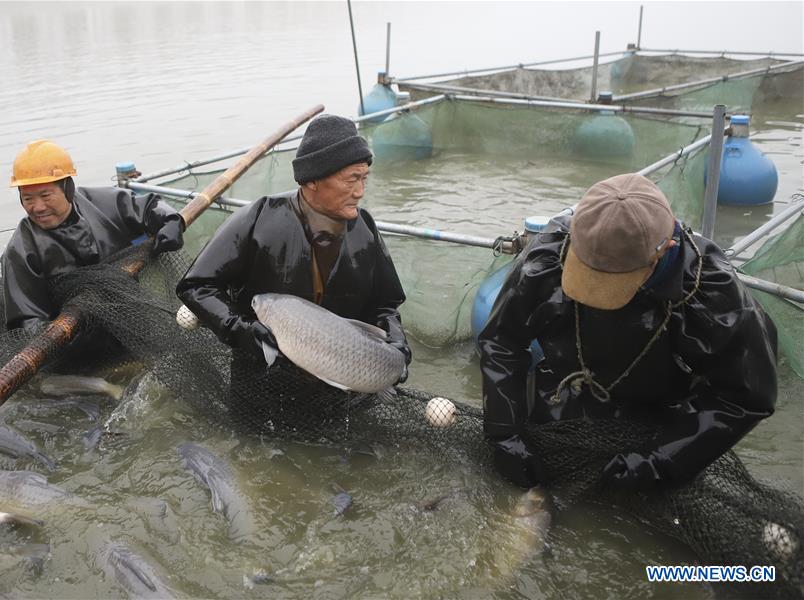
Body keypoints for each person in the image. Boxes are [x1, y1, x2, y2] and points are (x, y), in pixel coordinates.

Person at [479, 173, 777, 491]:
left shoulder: (714, 294)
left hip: (658, 419)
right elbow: (502, 340)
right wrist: (505, 432)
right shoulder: (550, 253)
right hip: (562, 396)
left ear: (666, 249)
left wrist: (659, 461)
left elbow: (744, 397)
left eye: (610, 282)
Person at [176, 114, 411, 424]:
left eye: (364, 178)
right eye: (351, 179)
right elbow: (196, 286)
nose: (360, 191)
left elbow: (386, 304)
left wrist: (396, 342)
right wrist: (242, 331)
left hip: (345, 390)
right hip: (262, 388)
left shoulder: (364, 227)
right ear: (312, 179)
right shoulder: (258, 218)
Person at [3, 140, 185, 331]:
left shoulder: (102, 202)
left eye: (46, 196)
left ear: (68, 189)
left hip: (132, 316)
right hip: (78, 339)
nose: (38, 207)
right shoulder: (19, 251)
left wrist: (172, 221)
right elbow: (24, 322)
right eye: (28, 198)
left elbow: (149, 206)